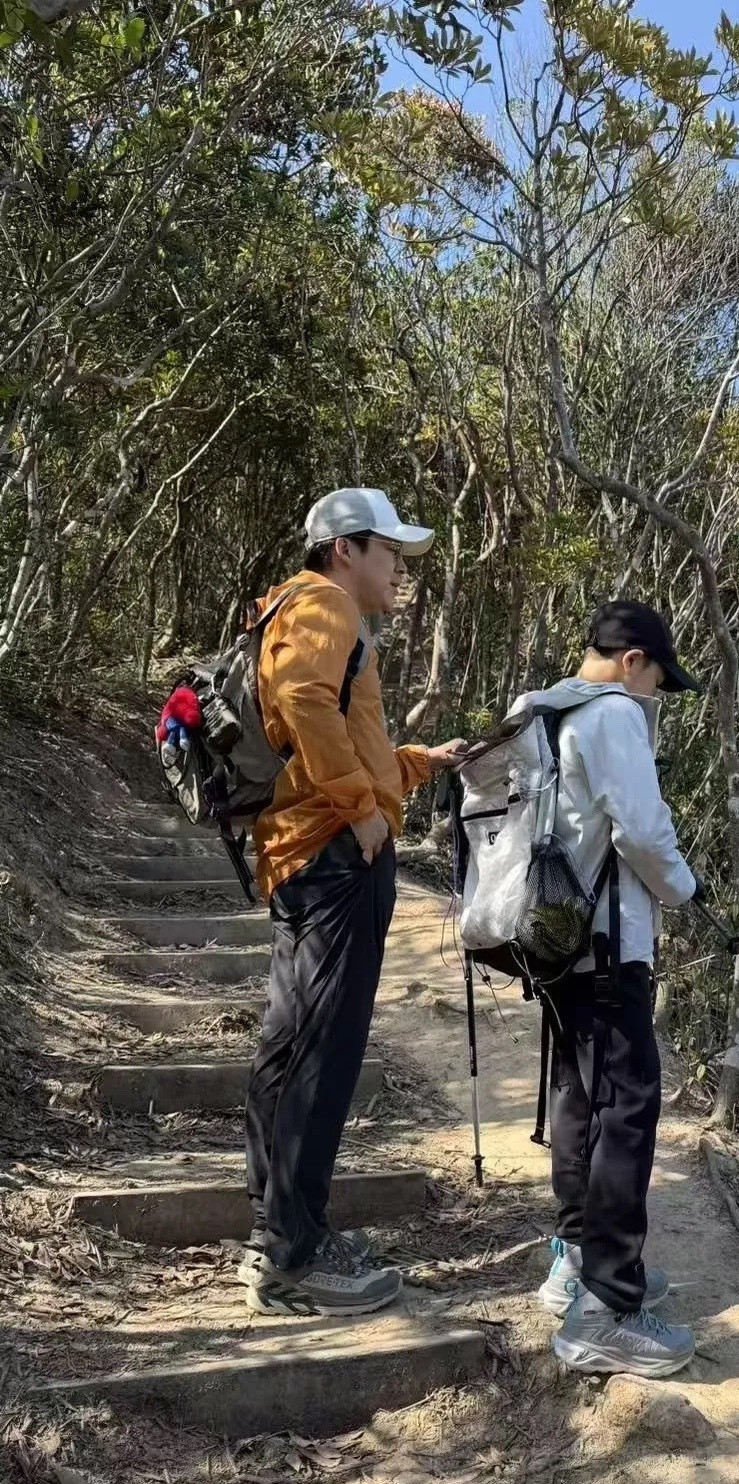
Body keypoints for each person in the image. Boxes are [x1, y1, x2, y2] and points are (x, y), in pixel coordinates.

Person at [240, 488, 466, 1317]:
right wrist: (365, 812)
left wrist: (416, 763)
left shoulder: (298, 608)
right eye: (390, 551)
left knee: (292, 1041)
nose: (399, 568)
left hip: (311, 846)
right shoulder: (328, 603)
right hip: (335, 855)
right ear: (346, 549)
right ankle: (295, 1254)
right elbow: (305, 703)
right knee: (324, 1051)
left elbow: (334, 732)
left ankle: (278, 1229)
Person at [529, 600, 701, 1378]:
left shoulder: (545, 709)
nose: (657, 693)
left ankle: (578, 1262)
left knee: (580, 1093)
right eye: (659, 678)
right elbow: (641, 829)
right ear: (633, 661)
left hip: (555, 939)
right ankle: (606, 1306)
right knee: (628, 1104)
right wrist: (685, 889)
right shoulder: (613, 715)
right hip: (607, 943)